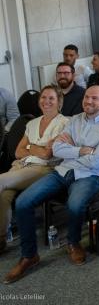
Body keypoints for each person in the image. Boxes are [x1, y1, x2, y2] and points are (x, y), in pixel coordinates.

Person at [4, 86, 99, 282]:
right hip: (63, 170)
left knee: (74, 205)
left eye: (95, 98)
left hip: (90, 175)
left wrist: (72, 149)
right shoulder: (75, 120)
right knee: (23, 202)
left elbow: (98, 161)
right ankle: (29, 255)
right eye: (87, 97)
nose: (89, 101)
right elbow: (56, 149)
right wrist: (82, 150)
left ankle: (73, 243)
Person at [0, 86, 68, 252]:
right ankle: (1, 239)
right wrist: (35, 146)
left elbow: (47, 155)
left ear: (59, 102)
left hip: (44, 168)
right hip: (21, 165)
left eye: (51, 98)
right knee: (4, 194)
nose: (46, 101)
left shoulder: (65, 123)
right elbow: (17, 152)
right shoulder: (32, 123)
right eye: (43, 97)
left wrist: (29, 146)